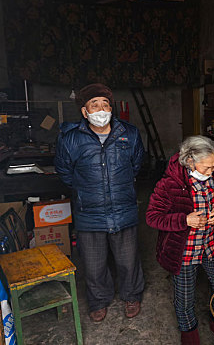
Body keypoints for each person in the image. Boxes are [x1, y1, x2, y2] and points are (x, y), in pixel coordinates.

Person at [55, 83, 145, 322]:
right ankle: (98, 300)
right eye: (94, 104)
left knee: (128, 260)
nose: (101, 108)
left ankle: (131, 295)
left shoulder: (129, 133)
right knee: (94, 265)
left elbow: (136, 165)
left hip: (123, 207)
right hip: (89, 211)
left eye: (105, 104)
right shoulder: (71, 138)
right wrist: (88, 189)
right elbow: (64, 172)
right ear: (85, 112)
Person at [146, 135, 214, 345]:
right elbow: (152, 217)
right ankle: (189, 334)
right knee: (185, 298)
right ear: (190, 162)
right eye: (206, 168)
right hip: (184, 250)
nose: (212, 171)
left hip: (213, 243)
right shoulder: (169, 184)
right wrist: (184, 219)